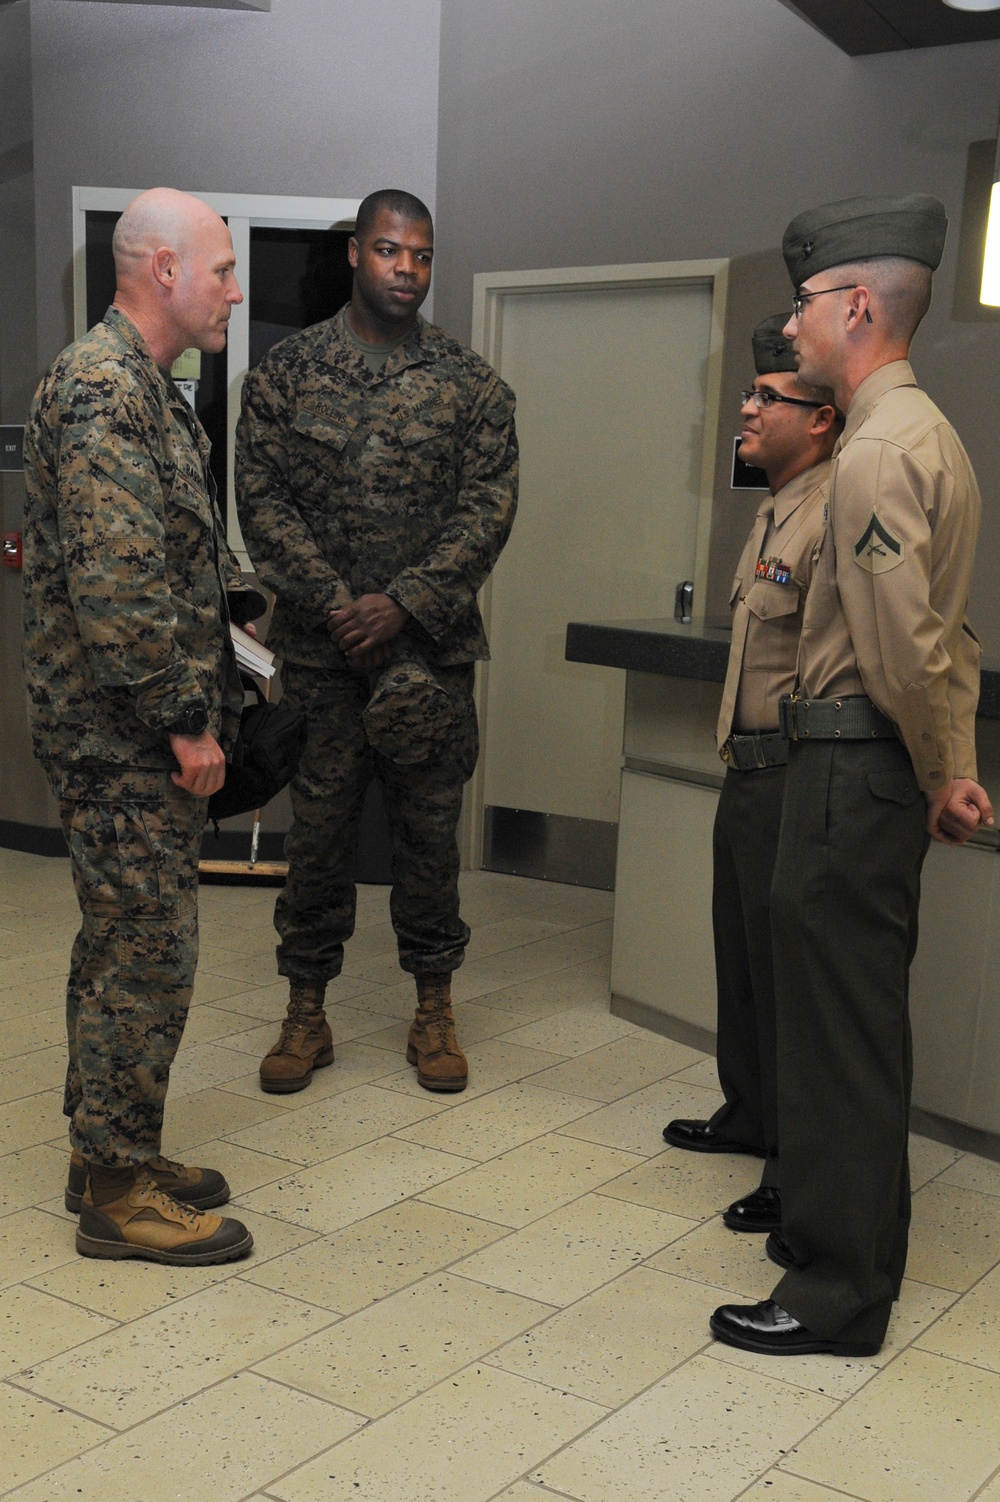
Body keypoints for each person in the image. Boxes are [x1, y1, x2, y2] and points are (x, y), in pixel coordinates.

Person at [710, 194, 993, 1358]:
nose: (792, 329)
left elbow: (905, 643)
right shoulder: (925, 434)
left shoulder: (875, 447)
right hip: (862, 765)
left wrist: (943, 769)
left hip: (849, 762)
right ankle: (862, 1248)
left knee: (834, 1042)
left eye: (807, 306)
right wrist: (949, 760)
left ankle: (836, 1294)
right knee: (857, 1031)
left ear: (859, 306)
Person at [236, 188, 518, 1095]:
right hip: (322, 665)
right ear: (358, 252)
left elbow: (488, 511)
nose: (409, 269)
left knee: (428, 841)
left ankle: (433, 1010)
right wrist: (333, 602)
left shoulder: (470, 384)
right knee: (314, 840)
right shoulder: (284, 376)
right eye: (393, 251)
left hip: (426, 661)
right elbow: (262, 501)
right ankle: (305, 1013)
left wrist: (402, 602)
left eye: (424, 256)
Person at [22, 187, 259, 1265]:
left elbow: (168, 553)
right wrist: (185, 720)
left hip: (129, 731)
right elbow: (119, 591)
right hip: (125, 739)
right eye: (220, 269)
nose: (233, 289)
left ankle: (106, 1147)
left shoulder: (151, 392)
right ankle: (116, 1192)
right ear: (162, 270)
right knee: (144, 957)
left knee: (121, 947)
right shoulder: (103, 388)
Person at [663, 315, 840, 1236]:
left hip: (794, 776)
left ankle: (790, 1163)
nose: (747, 405)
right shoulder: (775, 505)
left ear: (820, 419)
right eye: (750, 392)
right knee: (741, 961)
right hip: (749, 771)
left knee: (786, 985)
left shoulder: (837, 507)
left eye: (769, 396)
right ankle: (749, 1112)